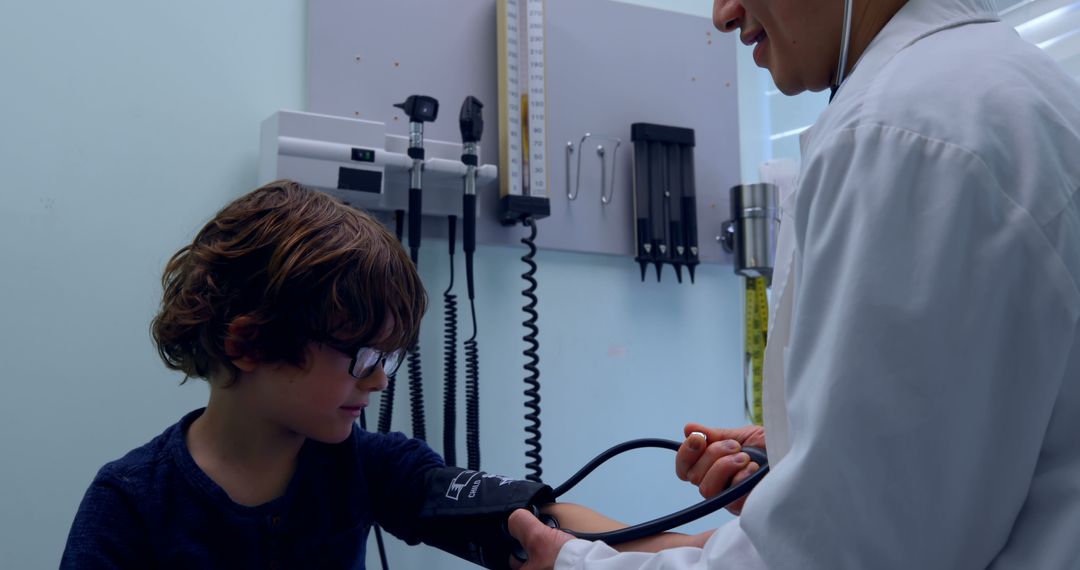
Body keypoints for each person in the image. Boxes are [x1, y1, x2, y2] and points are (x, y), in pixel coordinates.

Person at [508, 0, 1080, 567]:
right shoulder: (1014, 85)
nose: (723, 14)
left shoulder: (901, 129)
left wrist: (572, 564)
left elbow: (847, 557)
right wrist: (807, 467)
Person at [60, 180, 711, 569]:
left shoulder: (371, 466)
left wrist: (700, 553)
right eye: (364, 359)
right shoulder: (130, 504)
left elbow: (534, 519)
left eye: (391, 359)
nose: (380, 383)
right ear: (251, 343)